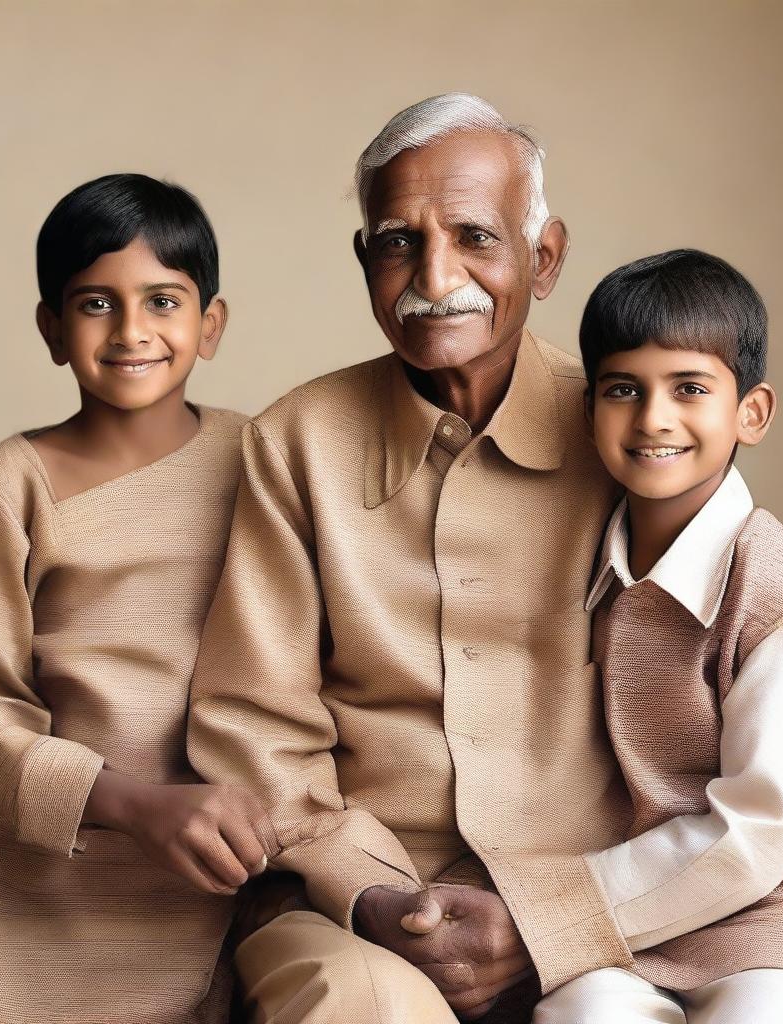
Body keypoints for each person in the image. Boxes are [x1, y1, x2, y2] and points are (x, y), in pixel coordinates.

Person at [187, 93, 629, 1022]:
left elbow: (698, 707)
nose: (436, 275)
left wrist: (551, 917)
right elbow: (252, 723)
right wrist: (373, 894)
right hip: (348, 909)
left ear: (544, 258)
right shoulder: (295, 441)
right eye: (397, 242)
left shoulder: (629, 435)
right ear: (365, 261)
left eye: (475, 236)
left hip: (590, 908)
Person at [0, 174, 283, 1024]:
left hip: (242, 866)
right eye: (95, 304)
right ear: (51, 328)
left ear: (209, 325)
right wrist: (132, 803)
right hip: (61, 878)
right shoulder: (14, 482)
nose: (132, 331)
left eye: (162, 300)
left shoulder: (264, 460)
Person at [530, 249, 783, 1022]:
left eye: (689, 388)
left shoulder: (781, 596)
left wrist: (560, 913)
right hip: (634, 927)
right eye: (623, 390)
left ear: (750, 413)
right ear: (588, 408)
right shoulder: (584, 564)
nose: (654, 418)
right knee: (582, 1016)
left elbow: (758, 831)